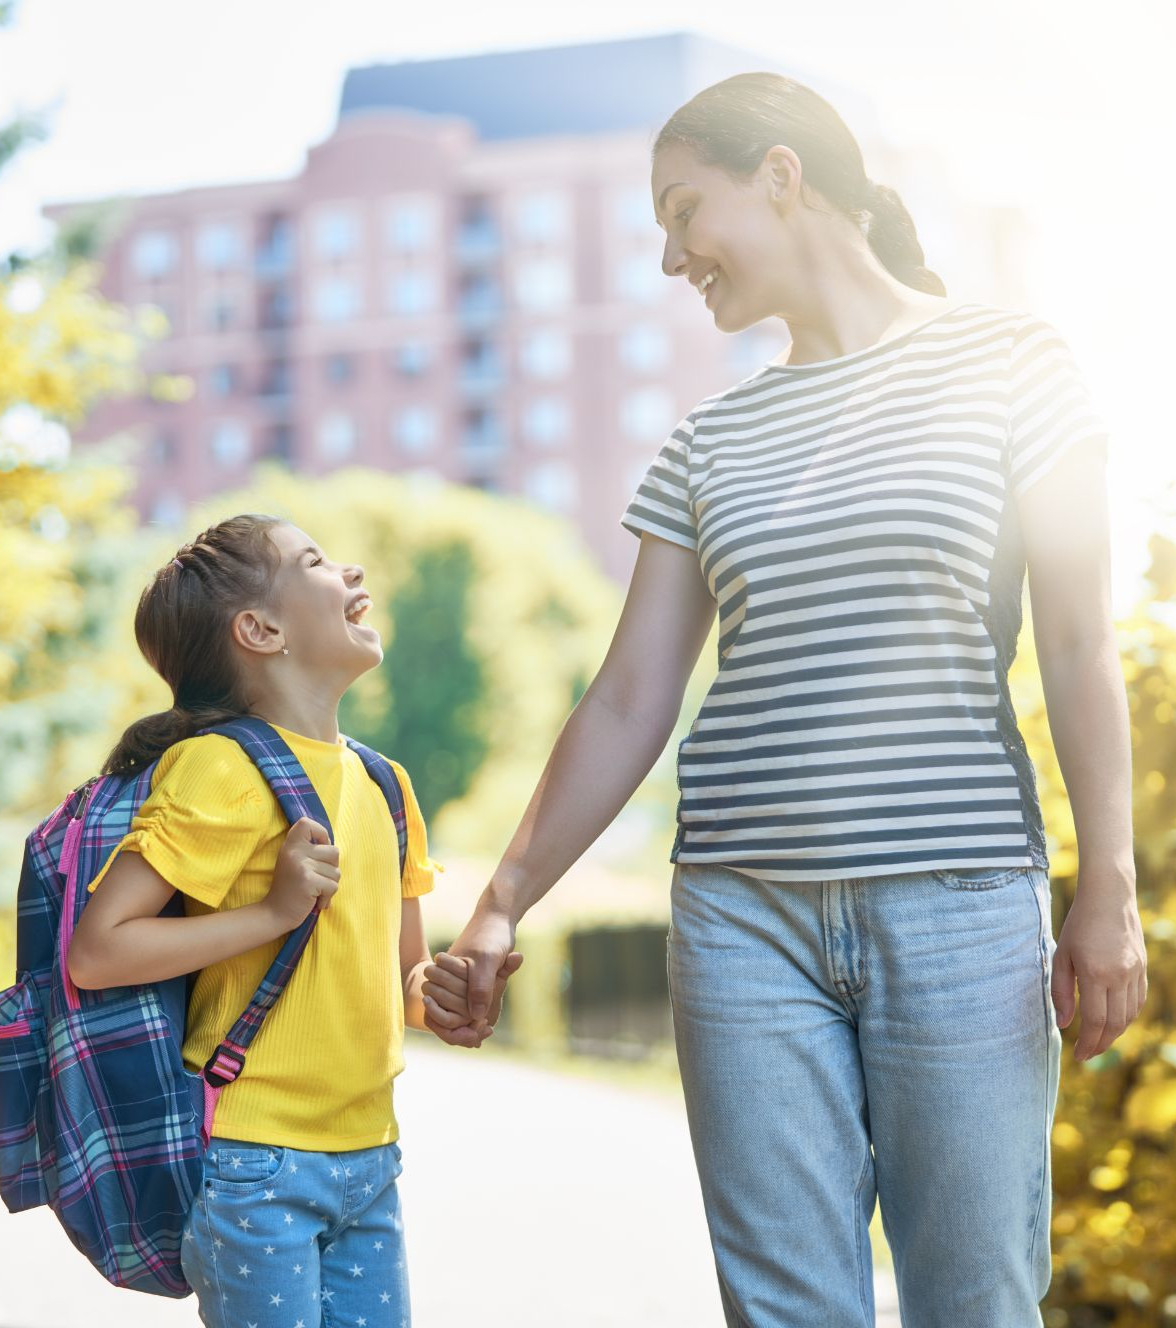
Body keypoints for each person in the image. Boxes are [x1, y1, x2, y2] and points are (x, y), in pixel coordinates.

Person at [423, 73, 1148, 1326]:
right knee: (787, 1311)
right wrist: (499, 902)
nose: (668, 256)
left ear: (781, 174)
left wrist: (1110, 888)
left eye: (681, 210)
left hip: (963, 905)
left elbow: (1081, 644)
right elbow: (629, 696)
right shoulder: (711, 440)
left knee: (975, 1299)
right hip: (740, 925)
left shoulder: (1015, 360)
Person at [67, 514, 514, 1328]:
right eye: (314, 560)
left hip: (372, 1157)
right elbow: (98, 951)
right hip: (254, 1161)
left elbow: (403, 984)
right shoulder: (220, 768)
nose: (349, 569)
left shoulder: (385, 783)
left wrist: (444, 992)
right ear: (260, 629)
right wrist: (274, 911)